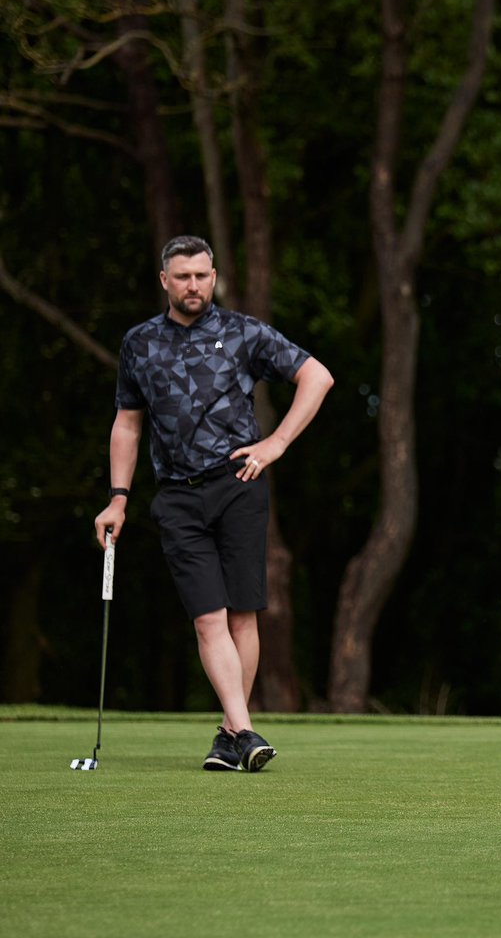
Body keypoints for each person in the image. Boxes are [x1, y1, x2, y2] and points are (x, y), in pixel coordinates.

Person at [94, 235, 334, 772]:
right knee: (208, 620)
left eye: (203, 275)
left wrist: (275, 444)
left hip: (238, 484)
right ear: (165, 281)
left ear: (214, 275)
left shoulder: (243, 332)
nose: (194, 285)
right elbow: (128, 424)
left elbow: (317, 376)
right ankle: (244, 731)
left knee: (243, 618)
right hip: (177, 496)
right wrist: (118, 499)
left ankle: (231, 734)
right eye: (183, 276)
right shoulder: (139, 343)